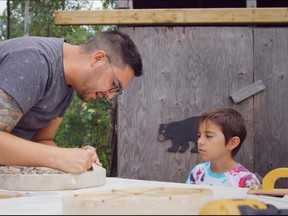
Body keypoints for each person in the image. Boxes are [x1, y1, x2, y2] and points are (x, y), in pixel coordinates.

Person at [0, 30, 143, 174]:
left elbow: (42, 139)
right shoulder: (34, 60)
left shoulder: (69, 86)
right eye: (114, 84)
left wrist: (77, 157)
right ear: (98, 58)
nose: (110, 96)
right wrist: (58, 158)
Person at [186, 108, 260, 188]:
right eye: (199, 135)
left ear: (232, 143)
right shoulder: (197, 172)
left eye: (208, 136)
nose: (200, 141)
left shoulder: (248, 181)